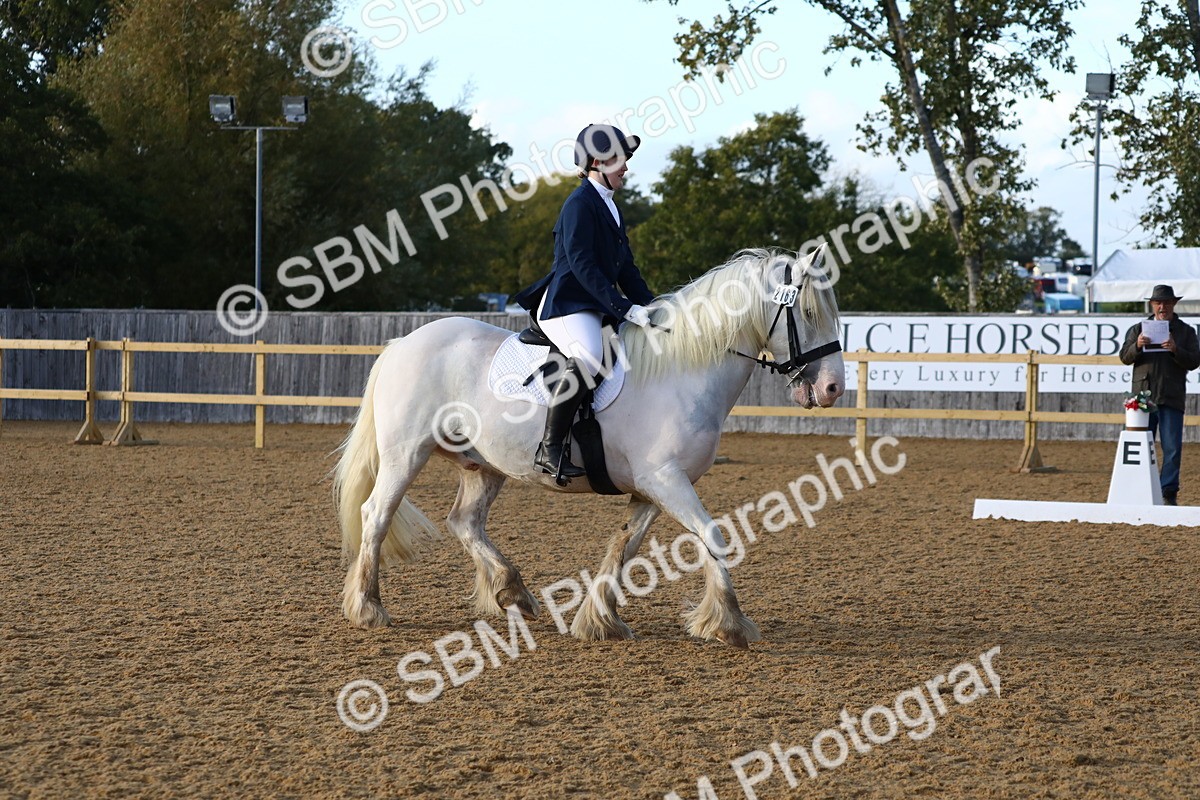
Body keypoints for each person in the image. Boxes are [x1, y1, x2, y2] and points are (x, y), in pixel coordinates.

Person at [511, 123, 656, 478]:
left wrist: (654, 307)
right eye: (620, 160)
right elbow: (582, 266)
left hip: (592, 304)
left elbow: (627, 270)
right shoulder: (579, 204)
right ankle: (551, 447)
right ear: (597, 162)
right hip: (565, 304)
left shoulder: (609, 206)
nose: (626, 167)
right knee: (591, 354)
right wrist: (624, 308)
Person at [1119, 284, 1200, 505]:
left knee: (1172, 448)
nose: (1162, 306)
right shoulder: (1137, 329)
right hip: (1142, 399)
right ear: (1152, 305)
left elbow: (1194, 361)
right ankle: (1138, 490)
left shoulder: (1186, 332)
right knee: (1141, 446)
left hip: (1171, 396)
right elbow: (1124, 357)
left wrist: (1175, 349)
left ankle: (1168, 493)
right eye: (1158, 302)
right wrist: (1136, 345)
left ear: (1174, 304)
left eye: (1166, 302)